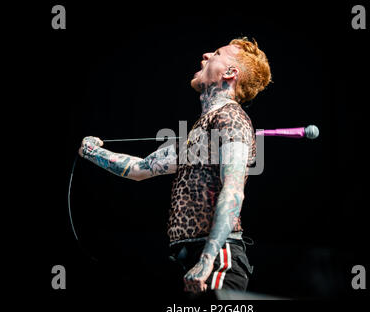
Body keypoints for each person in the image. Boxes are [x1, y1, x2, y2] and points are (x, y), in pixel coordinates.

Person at [79, 37, 271, 298]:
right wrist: (91, 151)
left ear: (229, 73)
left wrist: (206, 261)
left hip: (217, 259)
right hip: (189, 259)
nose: (205, 55)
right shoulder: (200, 132)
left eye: (216, 53)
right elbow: (140, 168)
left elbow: (233, 191)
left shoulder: (231, 117)